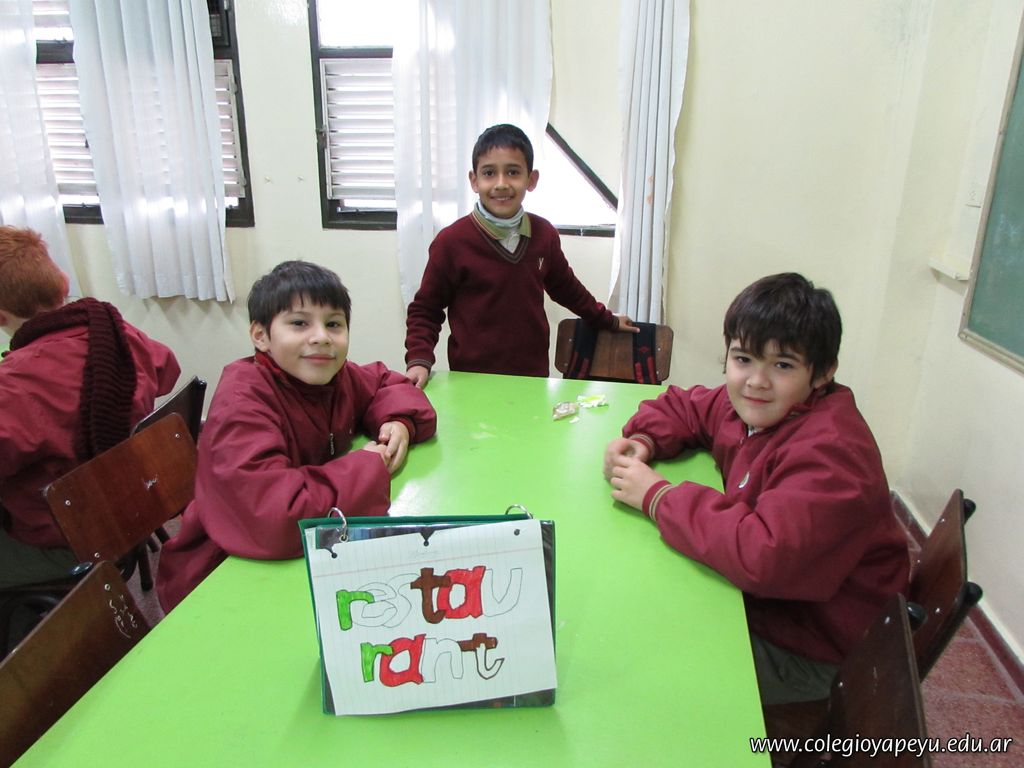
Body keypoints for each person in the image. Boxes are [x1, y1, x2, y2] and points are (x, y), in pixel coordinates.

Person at [603, 272, 909, 705]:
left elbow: (766, 556)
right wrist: (644, 440)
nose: (756, 381)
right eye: (743, 358)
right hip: (771, 608)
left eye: (783, 365)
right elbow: (685, 407)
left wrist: (657, 496)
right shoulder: (756, 406)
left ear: (822, 373)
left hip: (814, 650)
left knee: (644, 667)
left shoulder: (832, 452)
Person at [157, 260, 437, 611]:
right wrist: (367, 465)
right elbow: (275, 516)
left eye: (334, 324)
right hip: (223, 572)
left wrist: (399, 421)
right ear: (261, 336)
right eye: (299, 323)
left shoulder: (334, 377)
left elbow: (386, 382)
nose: (321, 337)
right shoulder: (241, 402)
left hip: (303, 561)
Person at [0, 226, 180, 588]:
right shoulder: (115, 333)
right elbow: (168, 370)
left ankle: (34, 623)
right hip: (136, 501)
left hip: (67, 539)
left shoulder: (14, 387)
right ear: (62, 283)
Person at [405, 123, 637, 387]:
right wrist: (419, 360)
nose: (501, 184)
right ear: (474, 180)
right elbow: (426, 310)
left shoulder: (544, 234)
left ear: (531, 179)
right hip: (471, 381)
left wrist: (607, 319)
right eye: (489, 173)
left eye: (513, 172)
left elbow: (568, 289)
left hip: (532, 380)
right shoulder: (451, 242)